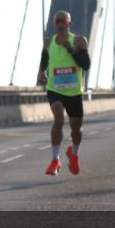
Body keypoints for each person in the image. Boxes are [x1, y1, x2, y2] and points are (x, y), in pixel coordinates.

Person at [37, 11, 91, 176]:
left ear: (69, 23)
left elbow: (86, 64)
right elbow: (45, 57)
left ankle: (74, 155)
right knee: (58, 119)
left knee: (76, 129)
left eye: (63, 21)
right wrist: (42, 71)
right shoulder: (49, 42)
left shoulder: (78, 41)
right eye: (57, 22)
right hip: (55, 89)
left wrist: (71, 49)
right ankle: (55, 160)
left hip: (74, 91)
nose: (60, 24)